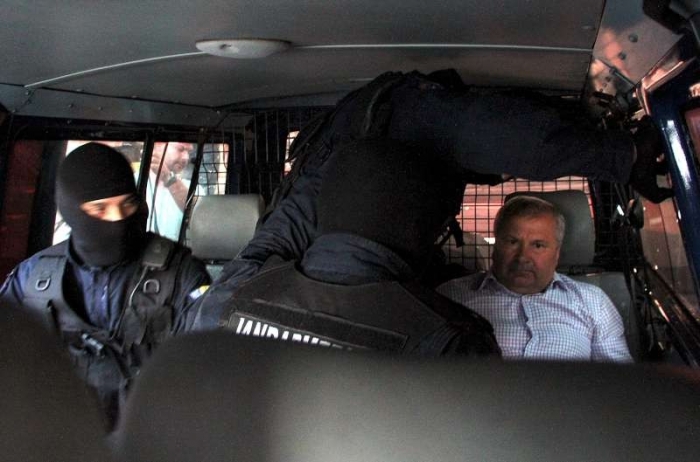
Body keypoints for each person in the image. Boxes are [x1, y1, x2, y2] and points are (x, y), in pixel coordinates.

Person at [194, 69, 672, 314]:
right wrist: (621, 155)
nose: (522, 255)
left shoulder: (221, 303)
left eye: (539, 244)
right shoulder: (446, 327)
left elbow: (285, 227)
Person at [191, 138, 500, 357]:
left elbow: (275, 236)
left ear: (325, 207)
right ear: (424, 229)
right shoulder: (451, 338)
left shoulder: (228, 298)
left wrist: (331, 150)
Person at [0, 142, 211, 429]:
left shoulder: (180, 274)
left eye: (127, 205)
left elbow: (206, 364)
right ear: (71, 211)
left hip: (150, 434)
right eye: (99, 209)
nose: (117, 220)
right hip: (55, 435)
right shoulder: (31, 279)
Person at [438, 195, 632, 362]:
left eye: (538, 245)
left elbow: (618, 381)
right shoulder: (450, 298)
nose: (523, 257)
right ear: (495, 247)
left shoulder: (593, 303)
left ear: (557, 253)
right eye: (512, 242)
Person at [144, 141, 194, 241]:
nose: (186, 158)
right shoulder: (133, 182)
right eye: (180, 149)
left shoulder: (192, 188)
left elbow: (199, 217)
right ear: (156, 147)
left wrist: (168, 178)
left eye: (189, 152)